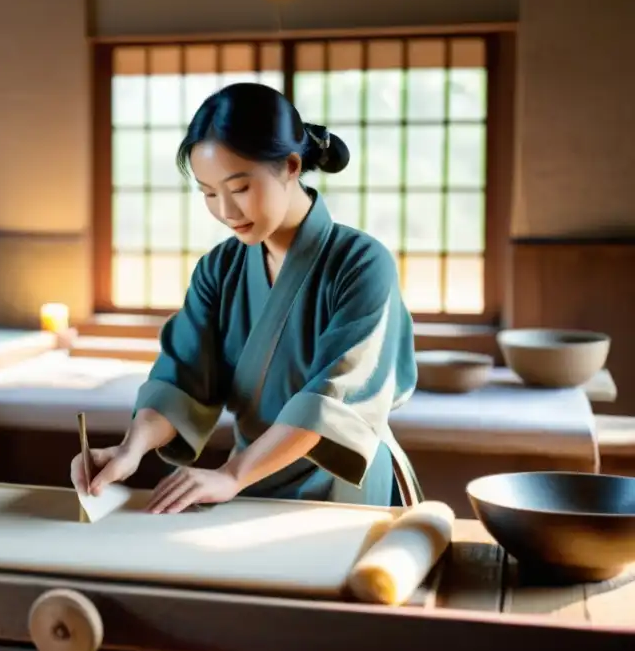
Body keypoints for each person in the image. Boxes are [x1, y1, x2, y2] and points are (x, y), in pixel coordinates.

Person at [71, 82, 422, 514]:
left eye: (239, 189)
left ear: (291, 166)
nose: (226, 211)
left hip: (340, 486)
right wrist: (131, 448)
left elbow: (329, 405)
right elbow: (182, 379)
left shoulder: (363, 264)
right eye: (208, 193)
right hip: (249, 480)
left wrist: (232, 474)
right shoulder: (219, 269)